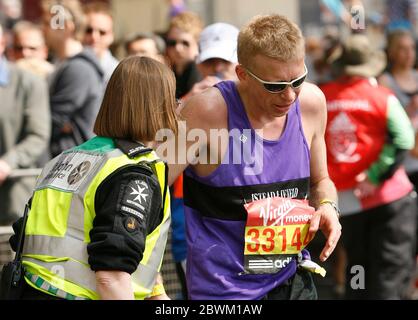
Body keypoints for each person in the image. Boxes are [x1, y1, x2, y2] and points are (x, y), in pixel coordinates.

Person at [161, 14, 342, 300]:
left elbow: (321, 180)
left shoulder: (311, 103)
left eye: (298, 80)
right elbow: (150, 188)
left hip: (292, 279)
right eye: (274, 86)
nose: (289, 96)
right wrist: (150, 282)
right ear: (242, 74)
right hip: (224, 292)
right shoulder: (205, 112)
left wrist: (329, 206)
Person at [8, 56, 176, 300]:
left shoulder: (66, 159)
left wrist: (157, 293)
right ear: (160, 105)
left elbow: (132, 255)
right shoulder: (132, 174)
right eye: (172, 98)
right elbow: (111, 276)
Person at [320, 34, 417, 299]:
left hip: (347, 203)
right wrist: (375, 175)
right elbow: (405, 138)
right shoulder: (381, 97)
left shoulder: (321, 98)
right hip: (389, 202)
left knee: (357, 271)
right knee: (388, 273)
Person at [0, 22, 50, 226]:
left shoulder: (28, 83)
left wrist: (7, 163)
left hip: (11, 199)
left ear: (2, 43)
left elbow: (38, 135)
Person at [41, 0, 104, 158]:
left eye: (47, 23)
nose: (43, 29)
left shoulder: (78, 69)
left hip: (73, 167)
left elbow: (52, 120)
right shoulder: (63, 64)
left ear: (66, 26)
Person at [165, 11, 202, 99]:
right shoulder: (166, 71)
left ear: (197, 44)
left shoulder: (203, 72)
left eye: (185, 43)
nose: (178, 48)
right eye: (172, 43)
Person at [82, 1, 119, 83]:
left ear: (111, 36)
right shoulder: (63, 63)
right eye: (89, 30)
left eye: (102, 32)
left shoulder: (118, 72)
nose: (94, 37)